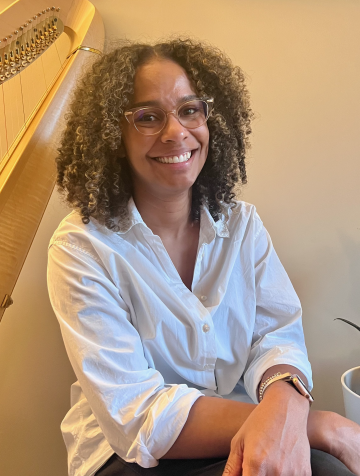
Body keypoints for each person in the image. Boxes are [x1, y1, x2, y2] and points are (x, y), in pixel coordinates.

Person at [48, 38, 360, 476]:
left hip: (245, 425)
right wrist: (316, 423)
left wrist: (285, 404)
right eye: (148, 117)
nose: (176, 132)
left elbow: (276, 336)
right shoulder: (82, 248)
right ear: (112, 135)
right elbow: (136, 414)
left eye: (190, 110)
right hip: (129, 454)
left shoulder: (242, 225)